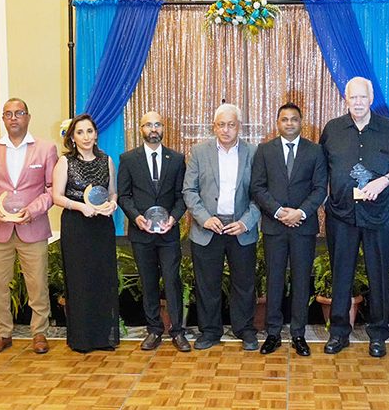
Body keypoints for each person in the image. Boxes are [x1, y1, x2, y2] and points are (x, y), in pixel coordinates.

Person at [319, 77, 389, 357]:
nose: (358, 102)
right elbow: (321, 170)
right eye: (353, 98)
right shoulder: (332, 129)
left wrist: (382, 182)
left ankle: (378, 335)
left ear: (371, 99)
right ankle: (338, 333)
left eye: (362, 97)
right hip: (342, 215)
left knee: (379, 275)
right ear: (346, 99)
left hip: (379, 216)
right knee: (341, 275)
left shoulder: (388, 129)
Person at [0, 98, 58, 355]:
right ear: (3, 118)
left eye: (19, 113)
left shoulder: (45, 149)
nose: (13, 118)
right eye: (8, 114)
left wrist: (31, 211)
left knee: (37, 283)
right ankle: (2, 333)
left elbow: (52, 189)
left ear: (28, 117)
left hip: (32, 228)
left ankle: (39, 331)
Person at [251, 102, 327, 356]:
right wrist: (279, 212)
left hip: (303, 227)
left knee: (301, 281)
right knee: (274, 280)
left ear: (301, 122)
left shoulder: (315, 151)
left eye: (294, 119)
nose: (290, 123)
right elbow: (258, 187)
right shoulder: (264, 151)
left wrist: (301, 212)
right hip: (275, 226)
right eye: (285, 119)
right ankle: (273, 333)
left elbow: (319, 188)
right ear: (277, 123)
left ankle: (298, 334)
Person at [183, 103, 261, 351]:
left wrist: (246, 222)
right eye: (221, 125)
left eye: (231, 125)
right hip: (208, 228)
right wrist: (204, 218)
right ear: (213, 126)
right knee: (207, 284)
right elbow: (189, 190)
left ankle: (245, 329)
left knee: (244, 283)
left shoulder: (254, 152)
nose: (226, 130)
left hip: (240, 228)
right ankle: (210, 331)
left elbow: (260, 194)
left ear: (239, 127)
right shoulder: (198, 152)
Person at [118, 111, 190, 352]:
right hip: (142, 233)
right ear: (141, 129)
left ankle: (178, 331)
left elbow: (182, 196)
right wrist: (136, 217)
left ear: (163, 128)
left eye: (157, 124)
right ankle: (154, 330)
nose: (153, 129)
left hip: (169, 234)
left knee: (172, 281)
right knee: (148, 283)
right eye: (148, 124)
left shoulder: (177, 159)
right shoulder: (128, 159)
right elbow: (124, 196)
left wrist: (174, 218)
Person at [52, 114, 120, 353]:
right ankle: (82, 339)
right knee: (80, 281)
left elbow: (113, 192)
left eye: (89, 131)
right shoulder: (65, 162)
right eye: (80, 132)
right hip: (76, 227)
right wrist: (81, 207)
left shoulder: (106, 160)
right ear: (72, 136)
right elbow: (57, 196)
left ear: (96, 134)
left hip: (102, 228)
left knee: (102, 279)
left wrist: (113, 204)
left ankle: (103, 337)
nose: (86, 136)